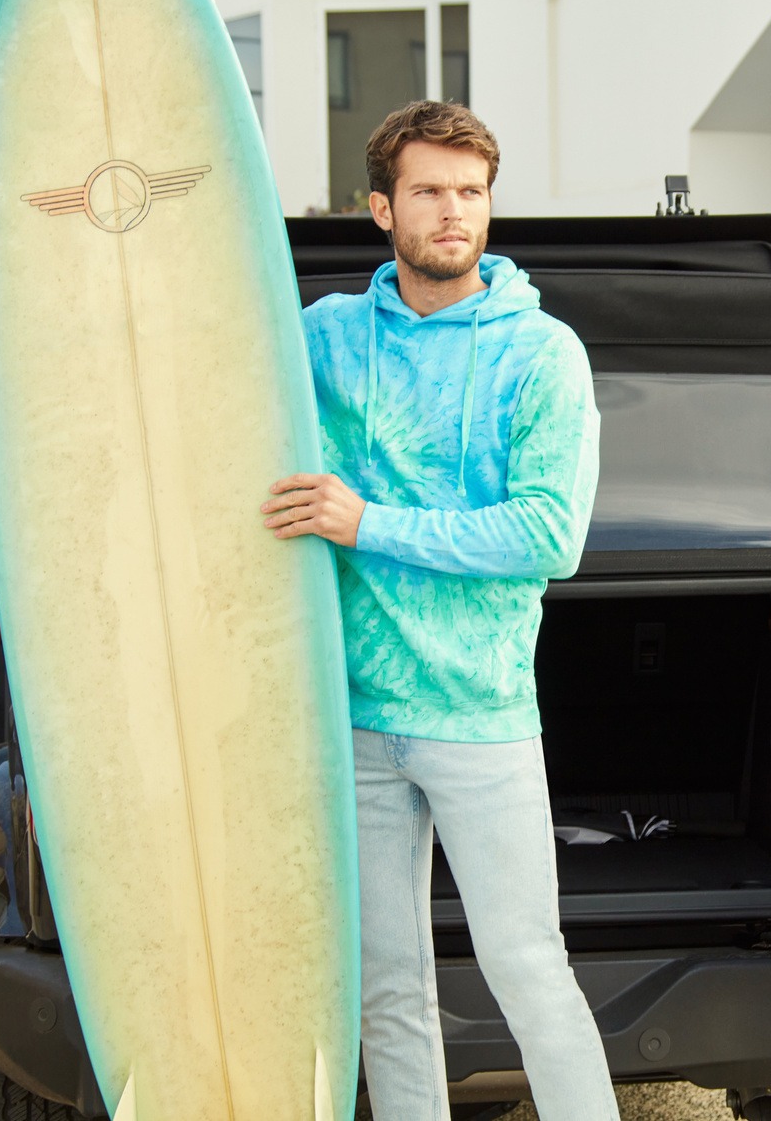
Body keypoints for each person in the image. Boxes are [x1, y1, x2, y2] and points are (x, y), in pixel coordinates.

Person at [259, 100, 619, 1121]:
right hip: (358, 716)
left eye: (471, 191)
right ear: (381, 207)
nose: (453, 211)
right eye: (428, 190)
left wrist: (364, 521)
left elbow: (549, 536)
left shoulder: (541, 352)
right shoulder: (324, 339)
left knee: (526, 970)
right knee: (387, 987)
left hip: (481, 714)